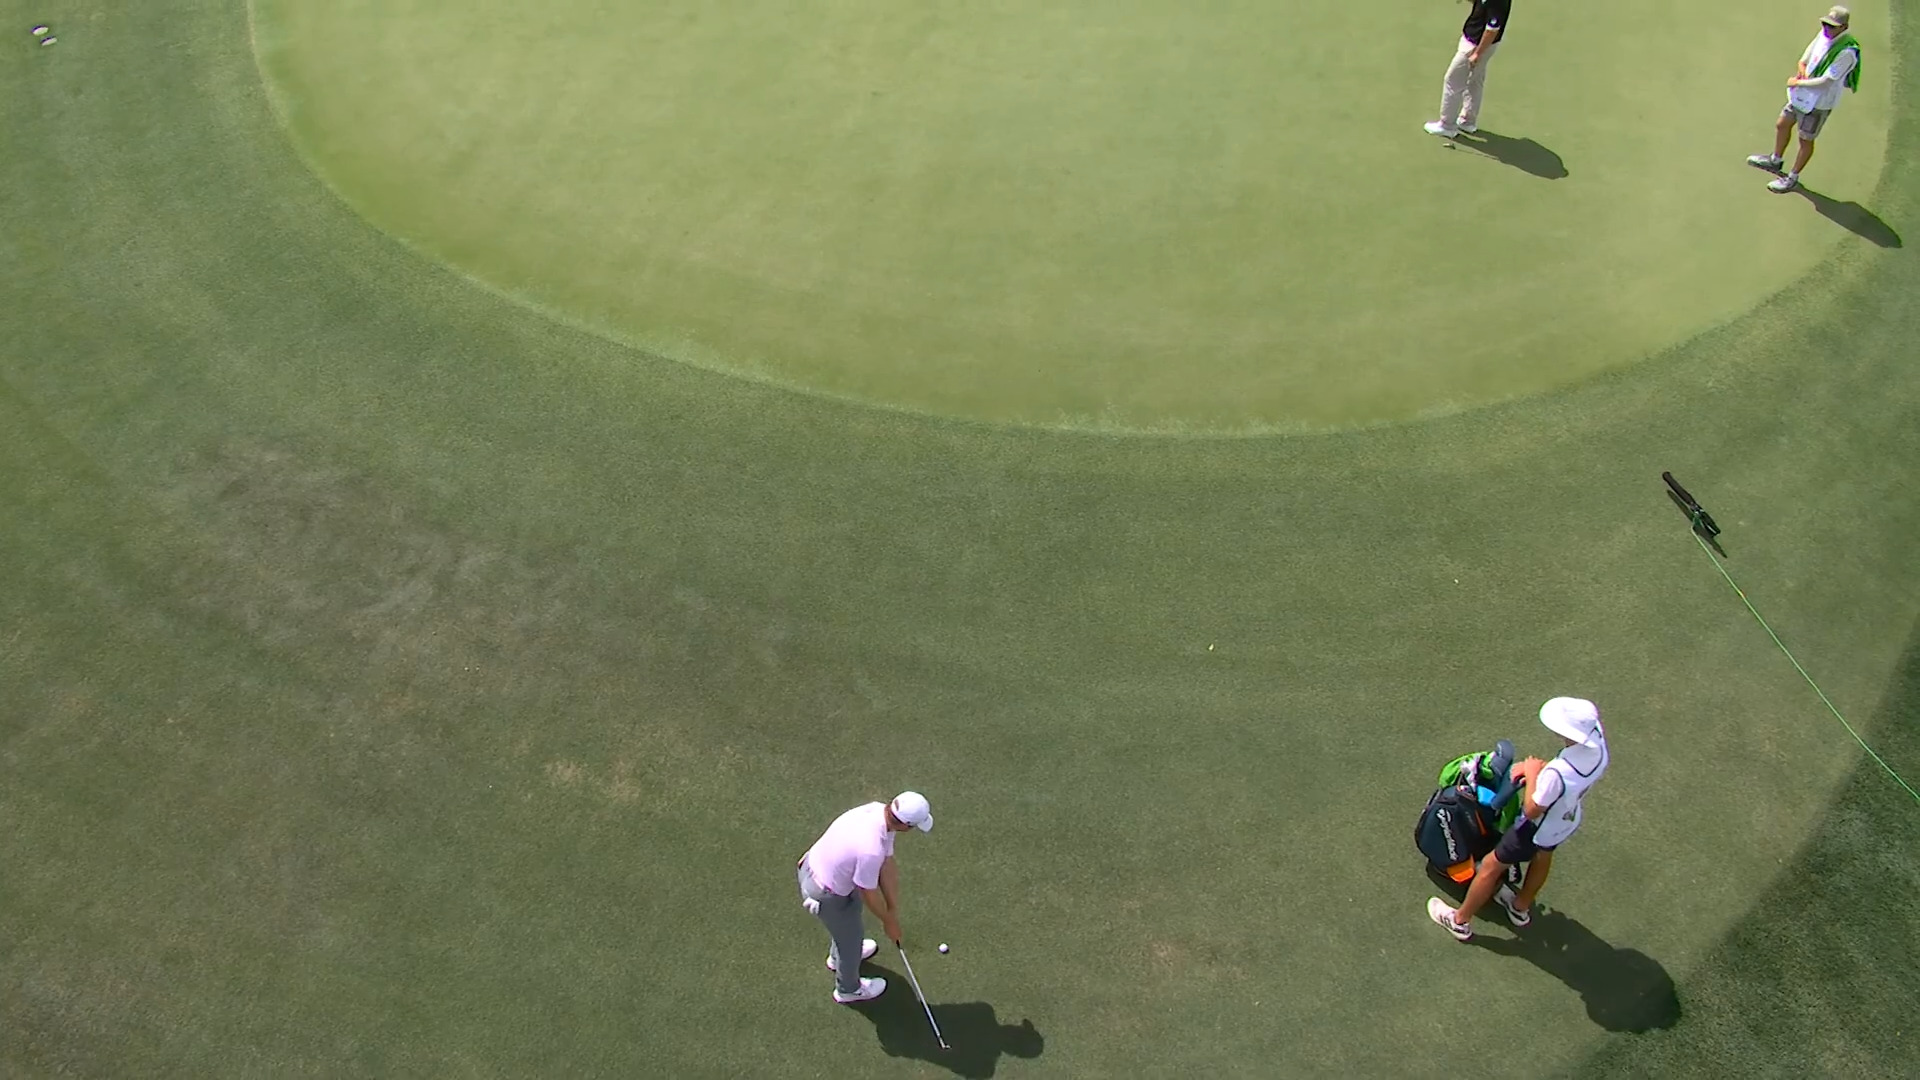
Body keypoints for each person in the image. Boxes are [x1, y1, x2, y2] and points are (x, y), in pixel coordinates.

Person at [1427, 697, 1608, 942]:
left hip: (1532, 829)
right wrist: (1543, 777)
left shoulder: (1557, 772)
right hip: (1564, 821)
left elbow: (1533, 808)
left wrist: (1533, 774)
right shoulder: (1598, 747)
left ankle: (1460, 921)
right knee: (1544, 856)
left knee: (1490, 866)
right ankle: (1520, 908)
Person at [796, 791, 933, 1003]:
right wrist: (888, 922)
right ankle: (848, 989)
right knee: (849, 941)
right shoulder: (871, 850)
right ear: (905, 825)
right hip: (824, 893)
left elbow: (887, 866)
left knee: (849, 929)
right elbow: (868, 893)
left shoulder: (878, 812)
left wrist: (892, 911)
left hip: (815, 867)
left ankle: (838, 956)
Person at [1747, 7, 1863, 193]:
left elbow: (1827, 81)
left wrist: (1798, 83)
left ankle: (1792, 177)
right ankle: (1775, 160)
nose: (1827, 28)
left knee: (1805, 140)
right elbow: (1810, 51)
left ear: (1844, 27)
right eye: (1825, 24)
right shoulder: (1824, 34)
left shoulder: (1847, 53)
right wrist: (1802, 66)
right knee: (1782, 123)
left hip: (1818, 103)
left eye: (1832, 26)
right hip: (1802, 95)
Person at [1425, 0, 1513, 138]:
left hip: (1475, 46)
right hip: (1480, 44)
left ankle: (1447, 125)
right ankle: (1467, 121)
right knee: (1475, 80)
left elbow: (1492, 29)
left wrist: (1478, 53)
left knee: (1453, 80)